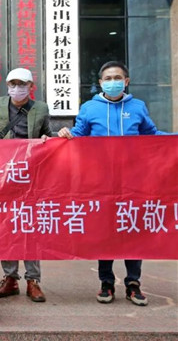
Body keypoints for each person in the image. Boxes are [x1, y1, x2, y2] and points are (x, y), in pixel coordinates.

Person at [58, 60, 165, 306]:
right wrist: (64, 135)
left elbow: (152, 136)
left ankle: (133, 283)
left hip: (133, 181)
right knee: (105, 231)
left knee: (132, 229)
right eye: (108, 79)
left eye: (117, 78)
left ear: (126, 81)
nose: (113, 82)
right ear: (100, 83)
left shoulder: (137, 107)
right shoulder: (89, 108)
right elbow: (78, 136)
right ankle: (106, 282)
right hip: (101, 182)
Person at [0, 67, 51, 303]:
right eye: (13, 84)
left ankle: (33, 280)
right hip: (3, 174)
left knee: (30, 226)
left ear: (31, 87)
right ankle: (10, 278)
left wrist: (48, 139)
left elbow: (47, 134)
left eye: (22, 84)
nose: (17, 88)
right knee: (6, 225)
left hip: (30, 175)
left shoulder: (41, 108)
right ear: (7, 86)